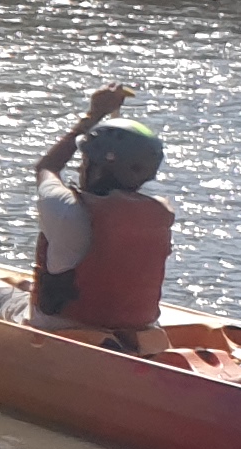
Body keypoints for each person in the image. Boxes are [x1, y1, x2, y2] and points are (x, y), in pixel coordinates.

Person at [18, 86, 173, 346]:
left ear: (97, 169)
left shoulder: (65, 208)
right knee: (22, 286)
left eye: (85, 160)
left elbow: (47, 167)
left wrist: (94, 114)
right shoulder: (159, 214)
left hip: (63, 328)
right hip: (138, 329)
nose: (80, 167)